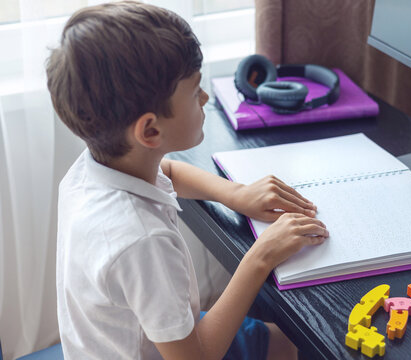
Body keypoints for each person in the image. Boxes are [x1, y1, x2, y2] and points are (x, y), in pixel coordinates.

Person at [46, 2, 329, 359]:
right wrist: (261, 256)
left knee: (281, 339)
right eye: (195, 92)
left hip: (146, 338)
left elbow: (169, 171)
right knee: (294, 340)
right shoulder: (141, 240)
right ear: (150, 130)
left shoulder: (91, 169)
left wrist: (236, 194)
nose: (206, 98)